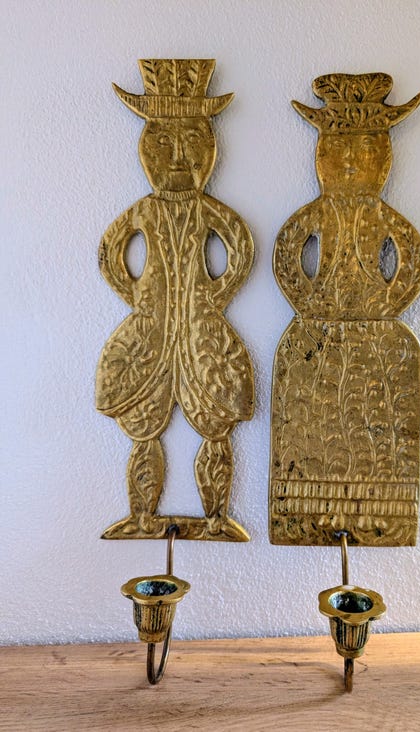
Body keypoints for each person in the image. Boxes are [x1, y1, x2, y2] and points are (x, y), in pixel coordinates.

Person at [97, 60, 254, 541]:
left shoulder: (210, 210)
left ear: (207, 147)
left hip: (202, 330)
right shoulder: (145, 210)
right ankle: (142, 516)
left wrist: (211, 298)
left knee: (216, 421)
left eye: (192, 142)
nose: (179, 157)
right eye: (164, 143)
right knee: (143, 424)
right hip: (151, 331)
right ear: (148, 147)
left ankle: (215, 518)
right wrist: (141, 298)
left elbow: (239, 251)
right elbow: (112, 256)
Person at [270, 73, 420, 547]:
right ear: (323, 154)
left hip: (379, 334)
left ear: (384, 155)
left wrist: (381, 309)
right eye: (340, 148)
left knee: (375, 419)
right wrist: (314, 307)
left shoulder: (383, 216)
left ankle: (381, 511)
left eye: (367, 148)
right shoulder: (317, 214)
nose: (353, 161)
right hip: (315, 333)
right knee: (313, 415)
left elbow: (410, 264)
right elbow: (289, 258)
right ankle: (303, 507)